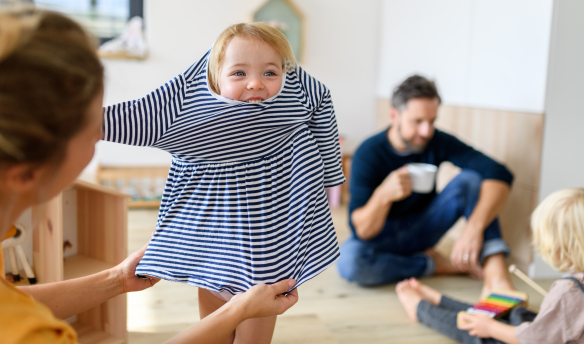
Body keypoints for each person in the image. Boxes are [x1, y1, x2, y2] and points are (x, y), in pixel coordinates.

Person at [0, 2, 297, 344]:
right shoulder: (30, 335)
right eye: (93, 129)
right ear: (26, 172)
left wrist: (116, 279)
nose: (102, 135)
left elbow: (5, 300)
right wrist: (236, 311)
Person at [102, 22, 345, 343]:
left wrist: (330, 176)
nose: (256, 83)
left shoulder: (297, 98)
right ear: (214, 78)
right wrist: (82, 123)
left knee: (253, 333)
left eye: (270, 73)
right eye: (239, 74)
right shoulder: (192, 112)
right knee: (214, 329)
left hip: (270, 251)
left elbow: (322, 104)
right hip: (213, 246)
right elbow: (135, 117)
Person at [337, 75, 514, 294]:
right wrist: (383, 195)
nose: (426, 131)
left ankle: (496, 275)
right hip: (380, 237)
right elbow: (361, 231)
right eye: (417, 121)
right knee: (349, 262)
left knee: (471, 180)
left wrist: (473, 228)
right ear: (394, 116)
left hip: (422, 229)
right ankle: (432, 265)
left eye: (432, 121)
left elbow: (499, 172)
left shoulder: (437, 141)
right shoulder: (368, 153)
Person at [395, 188, 584, 344]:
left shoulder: (568, 292)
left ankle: (421, 309)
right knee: (514, 313)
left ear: (560, 247)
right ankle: (438, 299)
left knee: (478, 332)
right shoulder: (571, 291)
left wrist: (491, 328)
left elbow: (534, 340)